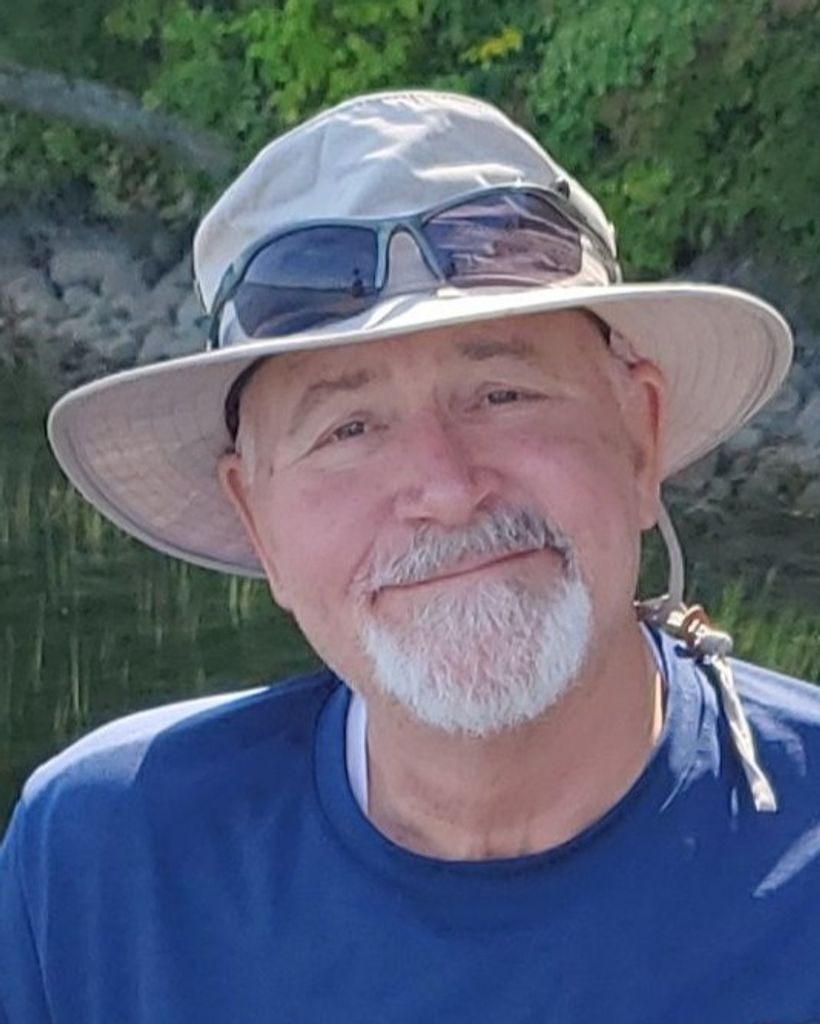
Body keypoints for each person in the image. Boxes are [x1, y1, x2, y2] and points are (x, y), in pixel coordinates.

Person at [1, 90, 818, 1024]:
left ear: (640, 437)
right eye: (349, 428)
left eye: (503, 394)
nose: (445, 487)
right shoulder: (106, 868)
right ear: (255, 519)